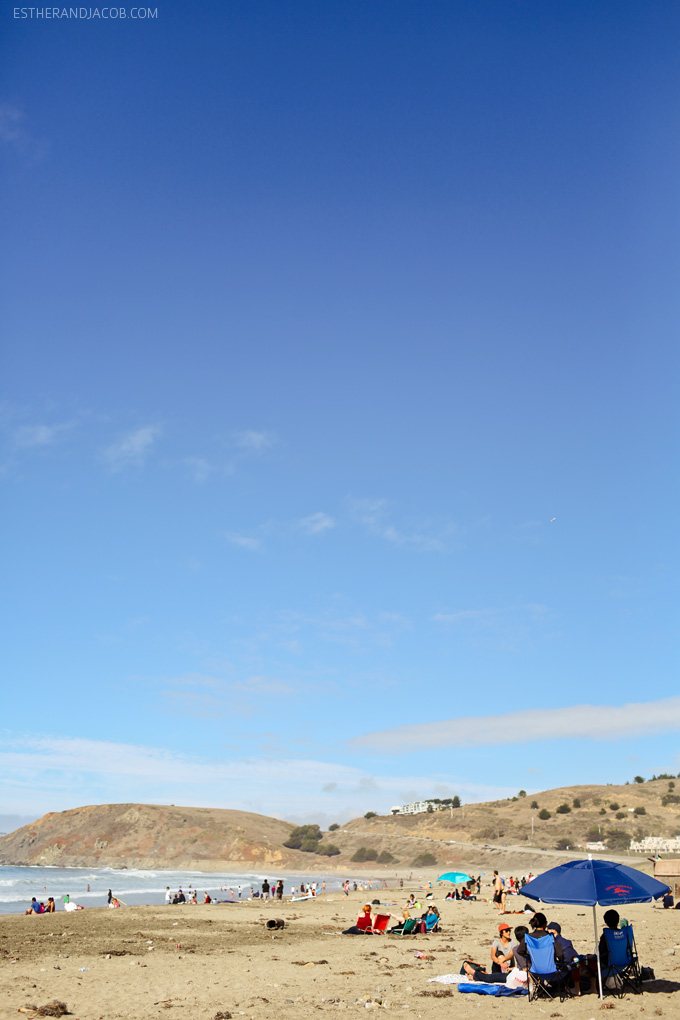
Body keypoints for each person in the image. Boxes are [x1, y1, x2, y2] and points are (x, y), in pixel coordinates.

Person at [546, 921, 581, 995]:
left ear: (554, 931)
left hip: (567, 967)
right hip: (577, 963)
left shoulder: (554, 942)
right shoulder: (566, 941)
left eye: (548, 929)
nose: (547, 931)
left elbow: (560, 957)